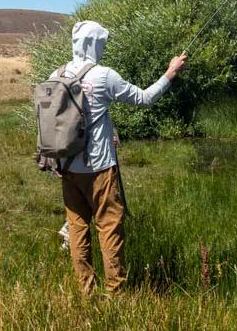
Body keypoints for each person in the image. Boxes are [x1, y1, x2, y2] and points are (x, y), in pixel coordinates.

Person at [52, 20, 187, 295]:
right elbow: (145, 99)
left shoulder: (57, 74)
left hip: (67, 167)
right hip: (100, 168)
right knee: (109, 228)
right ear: (95, 44)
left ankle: (86, 292)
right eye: (102, 43)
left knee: (78, 230)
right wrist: (170, 73)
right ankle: (116, 294)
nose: (104, 48)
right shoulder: (103, 76)